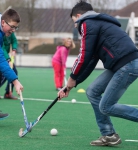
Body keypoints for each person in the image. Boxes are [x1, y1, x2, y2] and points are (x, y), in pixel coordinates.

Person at [58, 0, 138, 146]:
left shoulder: (87, 23)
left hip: (127, 64)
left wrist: (72, 77)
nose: (75, 26)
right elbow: (91, 61)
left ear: (79, 15)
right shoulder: (96, 23)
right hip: (121, 65)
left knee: (106, 106)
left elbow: (83, 55)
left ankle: (109, 133)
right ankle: (109, 135)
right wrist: (72, 84)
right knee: (93, 91)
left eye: (74, 21)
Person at [0, 32, 18, 100]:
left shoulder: (11, 33)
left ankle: (8, 93)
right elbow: (2, 48)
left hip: (7, 57)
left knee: (14, 72)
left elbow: (14, 41)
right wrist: (8, 60)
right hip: (0, 56)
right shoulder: (1, 34)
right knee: (5, 74)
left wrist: (14, 49)